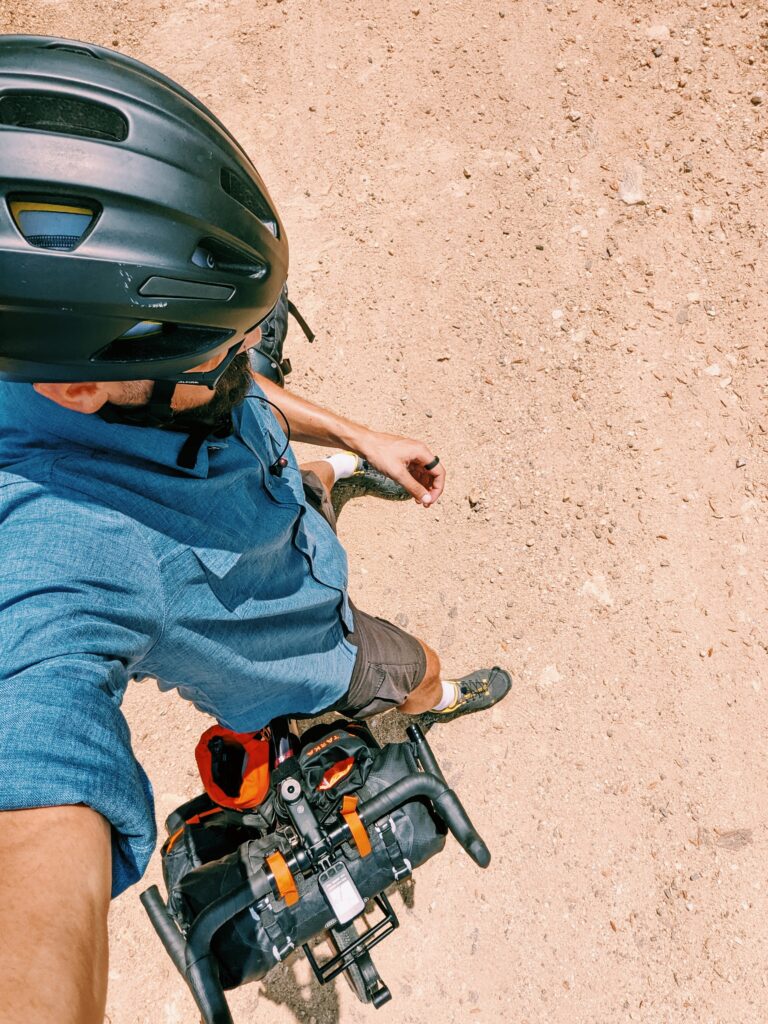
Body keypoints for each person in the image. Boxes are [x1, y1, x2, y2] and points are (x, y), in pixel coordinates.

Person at [0, 36, 511, 1024]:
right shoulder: (53, 549)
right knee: (411, 664)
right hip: (304, 649)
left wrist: (359, 434)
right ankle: (439, 697)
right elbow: (29, 818)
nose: (250, 358)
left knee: (301, 468)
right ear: (78, 385)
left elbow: (244, 396)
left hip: (267, 517)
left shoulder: (84, 355)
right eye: (230, 347)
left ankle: (328, 477)